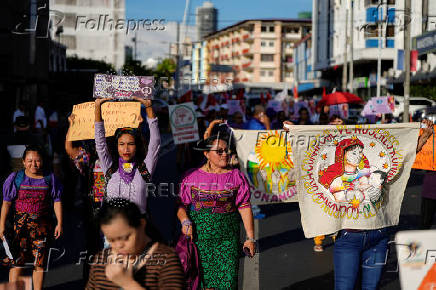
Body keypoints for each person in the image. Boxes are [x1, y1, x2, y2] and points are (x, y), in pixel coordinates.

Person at [331, 119, 434, 290]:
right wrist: (292, 134)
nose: (358, 154)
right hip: (349, 238)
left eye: (360, 151)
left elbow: (403, 159)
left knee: (372, 287)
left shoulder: (373, 170)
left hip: (378, 236)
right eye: (353, 151)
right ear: (343, 153)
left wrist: (424, 137)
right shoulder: (337, 180)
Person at [177, 132, 255, 289]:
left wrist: (250, 238)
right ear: (206, 154)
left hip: (228, 239)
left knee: (228, 282)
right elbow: (181, 205)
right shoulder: (191, 177)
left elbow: (244, 206)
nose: (225, 154)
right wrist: (185, 221)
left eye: (226, 150)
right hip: (199, 239)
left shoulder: (236, 177)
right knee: (203, 284)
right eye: (219, 151)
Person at [0, 145, 63, 290]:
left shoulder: (50, 178)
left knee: (39, 264)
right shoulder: (16, 178)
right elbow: (6, 203)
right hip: (19, 231)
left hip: (42, 230)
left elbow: (57, 201)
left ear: (43, 161)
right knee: (17, 263)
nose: (33, 164)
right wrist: (2, 226)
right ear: (23, 162)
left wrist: (60, 223)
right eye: (29, 161)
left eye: (37, 161)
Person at [86, 198, 184, 289]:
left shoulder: (166, 259)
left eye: (125, 238)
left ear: (142, 224)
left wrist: (127, 283)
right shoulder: (100, 261)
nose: (119, 245)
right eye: (111, 240)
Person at [94, 97, 160, 214]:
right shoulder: (109, 167)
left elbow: (155, 142)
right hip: (113, 230)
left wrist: (148, 106)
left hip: (136, 231)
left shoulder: (144, 169)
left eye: (130, 144)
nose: (126, 149)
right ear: (117, 146)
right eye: (121, 144)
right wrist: (98, 106)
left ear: (137, 146)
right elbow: (100, 143)